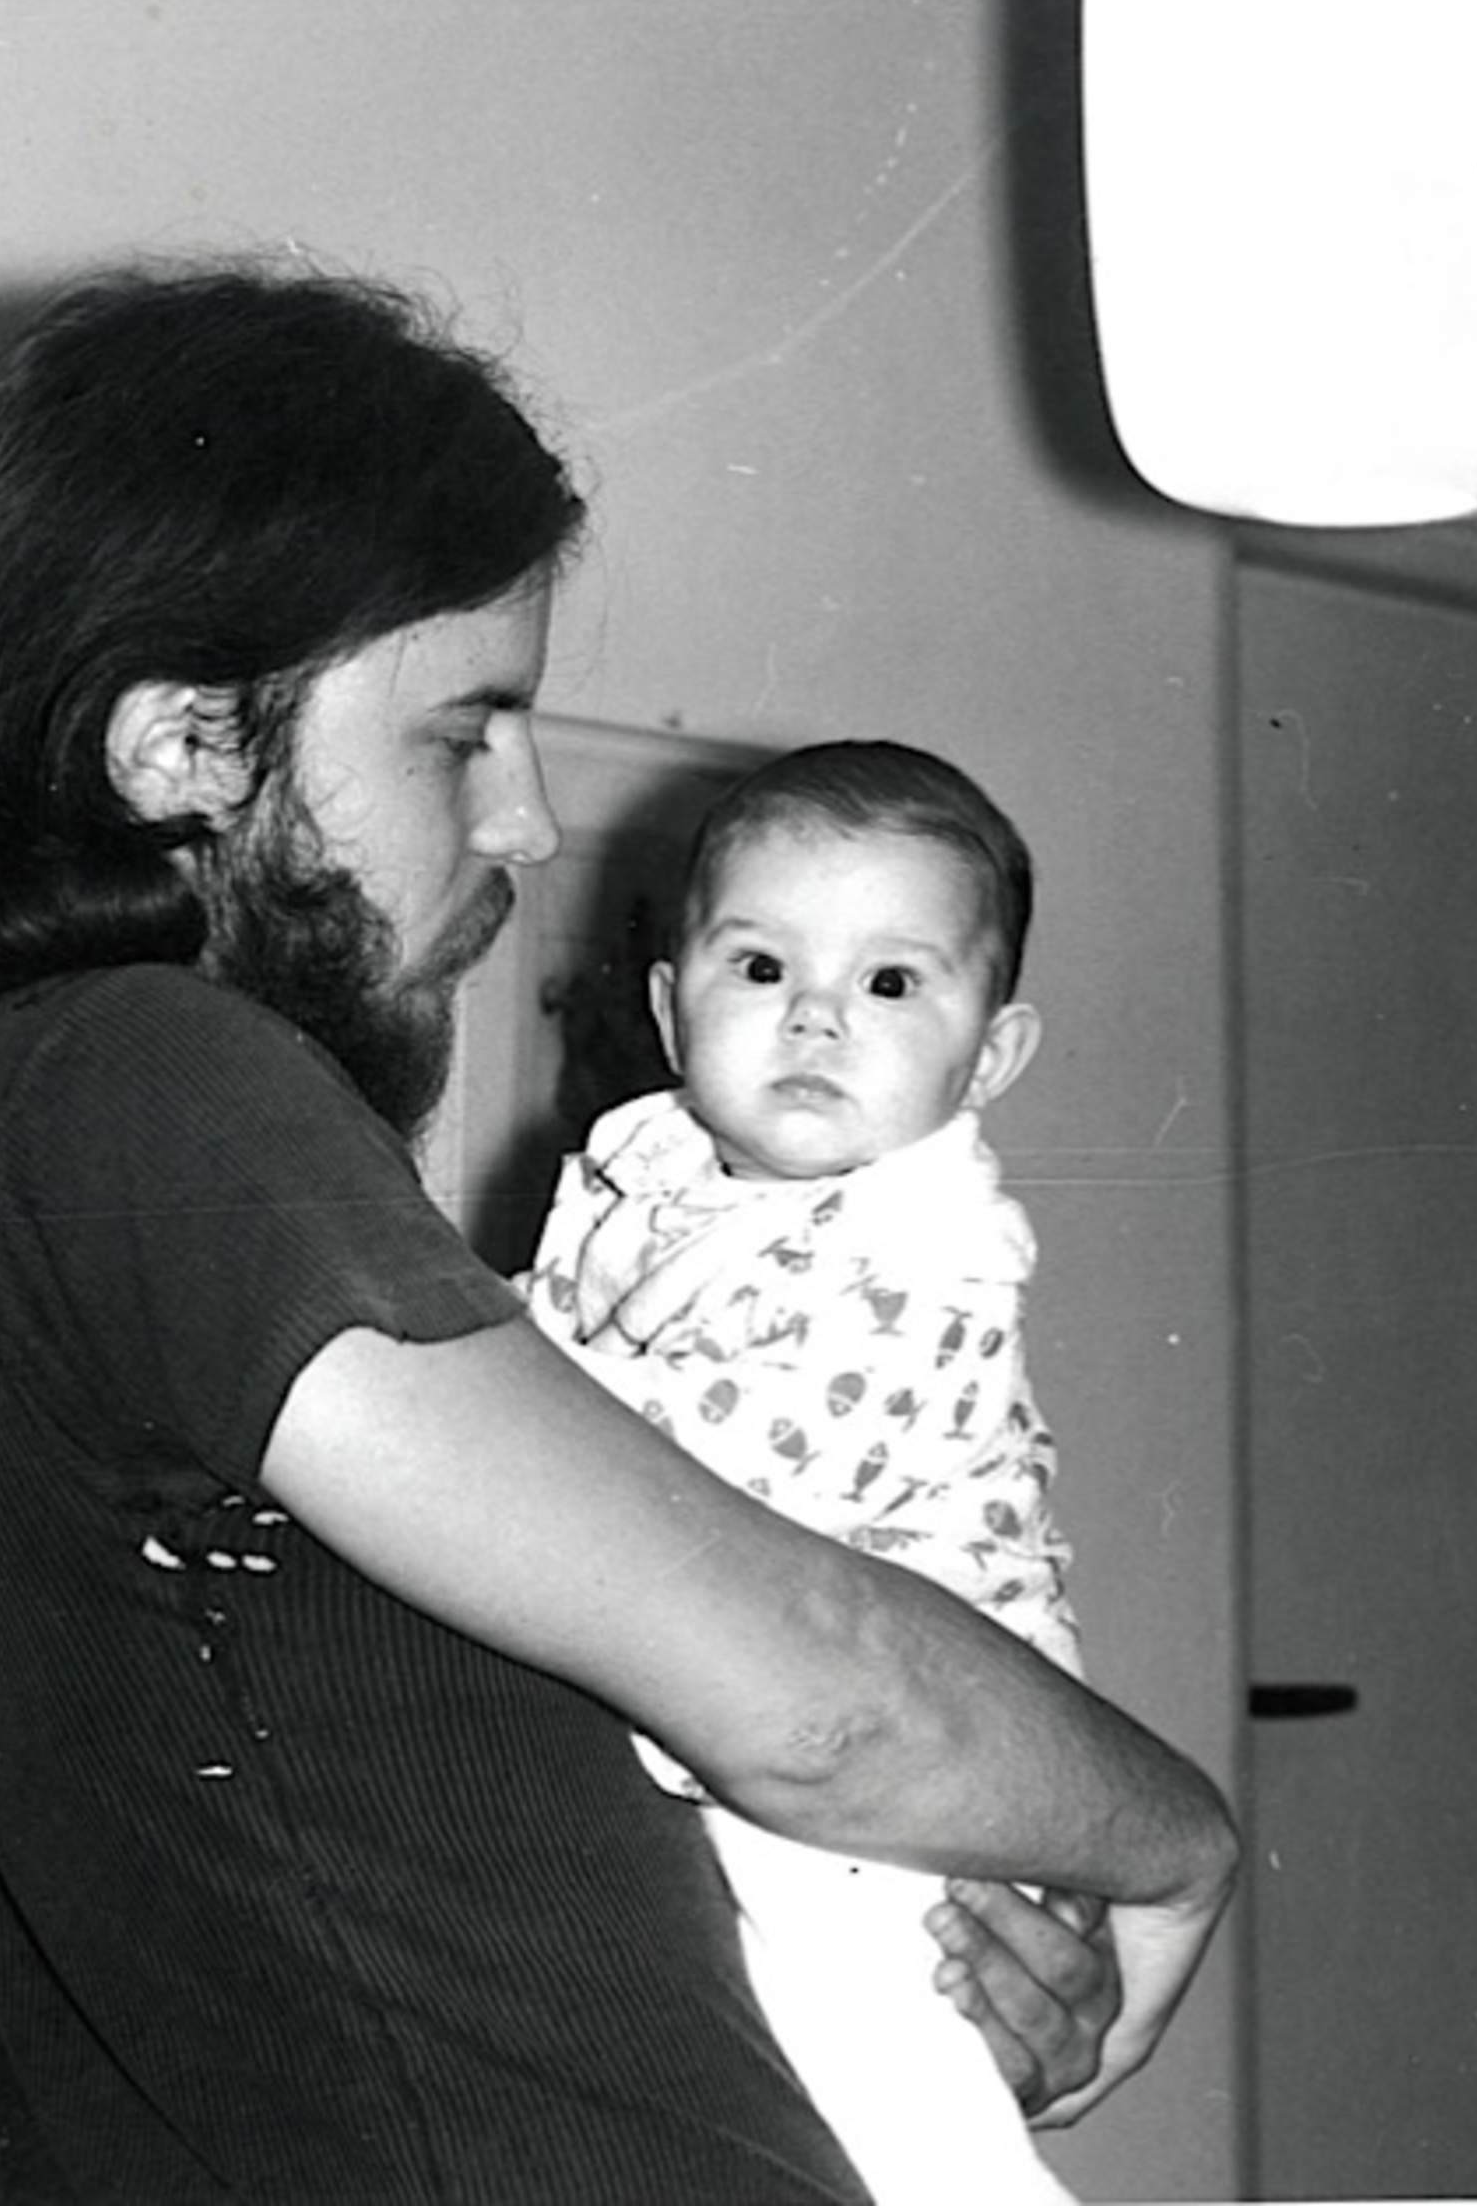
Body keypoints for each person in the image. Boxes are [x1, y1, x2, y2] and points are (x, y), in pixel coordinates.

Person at [0, 259, 1236, 2204]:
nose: (528, 822)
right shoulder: (145, 1083)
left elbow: (402, 1823)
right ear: (182, 745)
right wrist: (1174, 1843)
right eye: (465, 733)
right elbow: (822, 1706)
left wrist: (904, 1977)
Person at [523, 739, 1093, 2206]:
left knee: (878, 2063)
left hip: (913, 1748)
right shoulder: (649, 1173)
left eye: (891, 982)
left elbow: (689, 1488)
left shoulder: (928, 1257)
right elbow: (540, 1342)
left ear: (992, 1055)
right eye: (763, 967)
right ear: (673, 1009)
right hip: (754, 1703)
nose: (818, 1016)